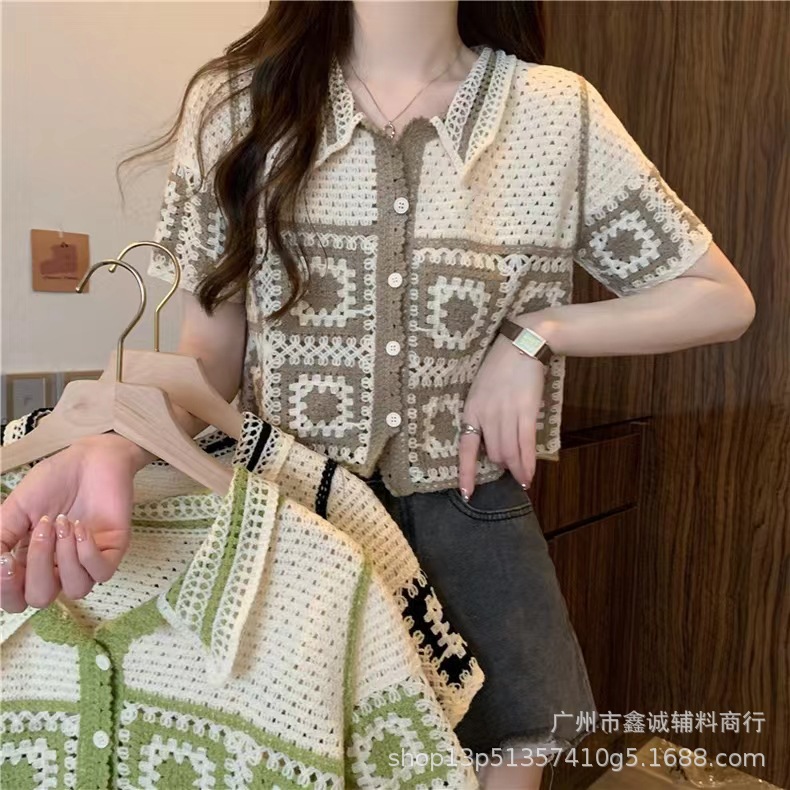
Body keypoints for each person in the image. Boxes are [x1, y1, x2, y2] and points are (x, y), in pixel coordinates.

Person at [0, 2, 755, 788]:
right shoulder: (238, 106)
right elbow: (207, 360)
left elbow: (720, 298)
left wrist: (536, 333)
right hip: (294, 527)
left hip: (474, 530)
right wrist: (114, 441)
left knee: (508, 755)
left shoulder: (556, 114)